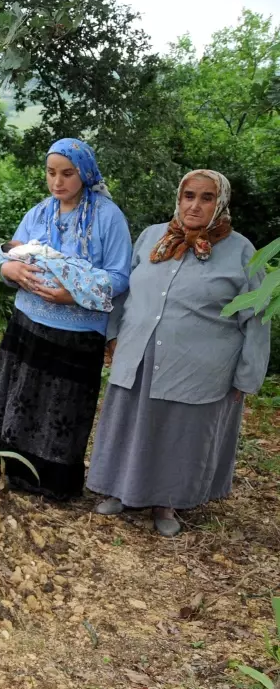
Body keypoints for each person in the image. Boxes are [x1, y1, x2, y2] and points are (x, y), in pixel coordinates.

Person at [87, 170, 270, 536]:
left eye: (206, 198)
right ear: (179, 197)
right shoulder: (153, 237)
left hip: (199, 366)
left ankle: (166, 503)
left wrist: (247, 376)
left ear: (221, 203)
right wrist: (113, 333)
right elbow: (124, 290)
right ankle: (120, 490)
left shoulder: (242, 252)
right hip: (138, 352)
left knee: (178, 433)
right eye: (189, 195)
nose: (195, 205)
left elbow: (257, 318)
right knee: (130, 423)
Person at [0, 138, 133, 500]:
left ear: (86, 173)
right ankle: (4, 468)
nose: (57, 182)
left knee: (60, 407)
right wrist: (12, 270)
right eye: (51, 173)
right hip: (28, 323)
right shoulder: (40, 213)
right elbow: (9, 255)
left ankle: (49, 483)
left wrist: (74, 293)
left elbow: (120, 276)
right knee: (18, 395)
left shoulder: (109, 218)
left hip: (76, 334)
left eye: (67, 173)